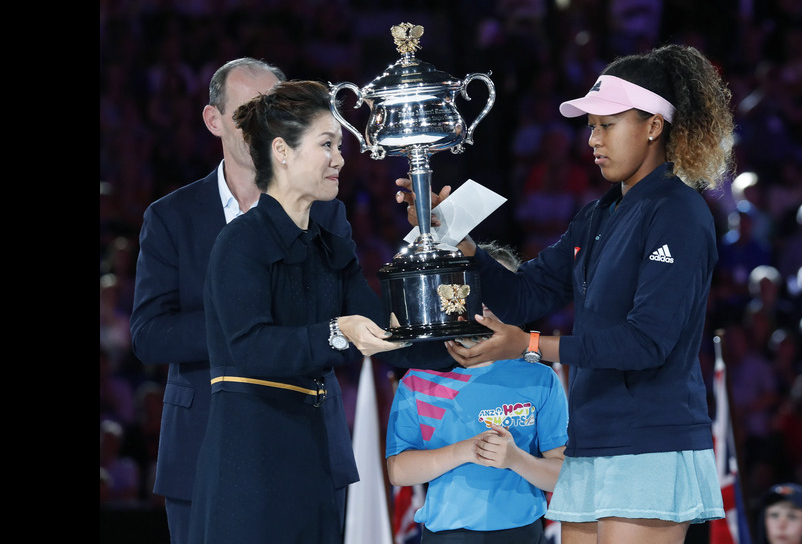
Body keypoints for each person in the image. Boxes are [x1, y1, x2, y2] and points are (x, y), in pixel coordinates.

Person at [398, 43, 733, 544]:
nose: (593, 139)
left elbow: (647, 342)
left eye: (607, 124)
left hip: (649, 441)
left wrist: (528, 347)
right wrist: (460, 245)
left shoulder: (679, 211)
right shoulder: (597, 215)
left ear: (653, 126)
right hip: (591, 439)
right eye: (591, 126)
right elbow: (525, 295)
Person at [187, 79, 457, 544]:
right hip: (249, 463)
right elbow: (251, 347)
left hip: (314, 456)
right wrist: (337, 330)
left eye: (339, 145)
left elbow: (386, 339)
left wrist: (461, 341)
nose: (339, 158)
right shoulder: (239, 243)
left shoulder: (331, 247)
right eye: (327, 144)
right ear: (282, 151)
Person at [129, 58, 356, 544]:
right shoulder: (171, 217)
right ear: (214, 121)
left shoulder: (326, 212)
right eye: (248, 111)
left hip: (308, 441)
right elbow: (149, 335)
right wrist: (243, 321)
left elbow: (344, 317)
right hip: (205, 445)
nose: (262, 124)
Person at [385, 242, 569, 544]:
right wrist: (466, 450)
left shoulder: (540, 378)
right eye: (479, 289)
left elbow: (563, 474)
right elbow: (399, 470)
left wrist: (516, 460)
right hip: (446, 535)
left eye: (502, 289)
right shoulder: (420, 378)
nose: (489, 302)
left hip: (522, 534)